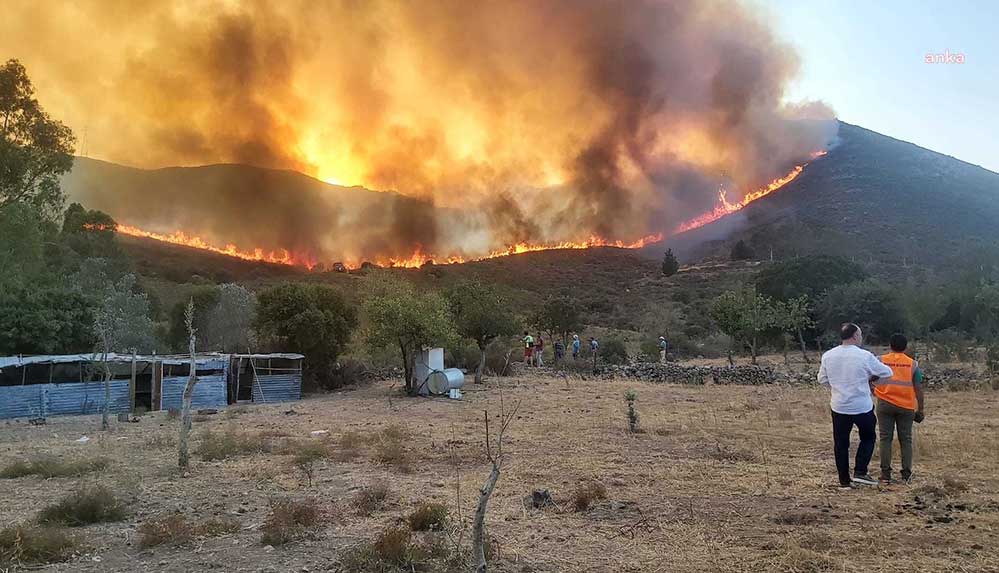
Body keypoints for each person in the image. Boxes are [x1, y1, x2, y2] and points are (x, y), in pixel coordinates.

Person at [818, 323, 894, 490]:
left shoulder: (828, 355)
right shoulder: (864, 356)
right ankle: (860, 472)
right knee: (868, 437)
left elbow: (822, 379)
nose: (860, 338)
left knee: (841, 443)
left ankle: (844, 481)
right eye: (859, 335)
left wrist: (838, 385)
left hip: (839, 406)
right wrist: (871, 379)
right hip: (861, 406)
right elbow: (887, 372)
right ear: (854, 336)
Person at [875, 333, 925, 484]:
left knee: (885, 439)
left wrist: (875, 392)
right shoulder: (912, 364)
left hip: (884, 404)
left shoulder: (881, 361)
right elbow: (918, 388)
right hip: (906, 406)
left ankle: (885, 475)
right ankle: (906, 474)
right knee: (906, 440)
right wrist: (921, 409)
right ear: (906, 347)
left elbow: (869, 378)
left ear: (890, 346)